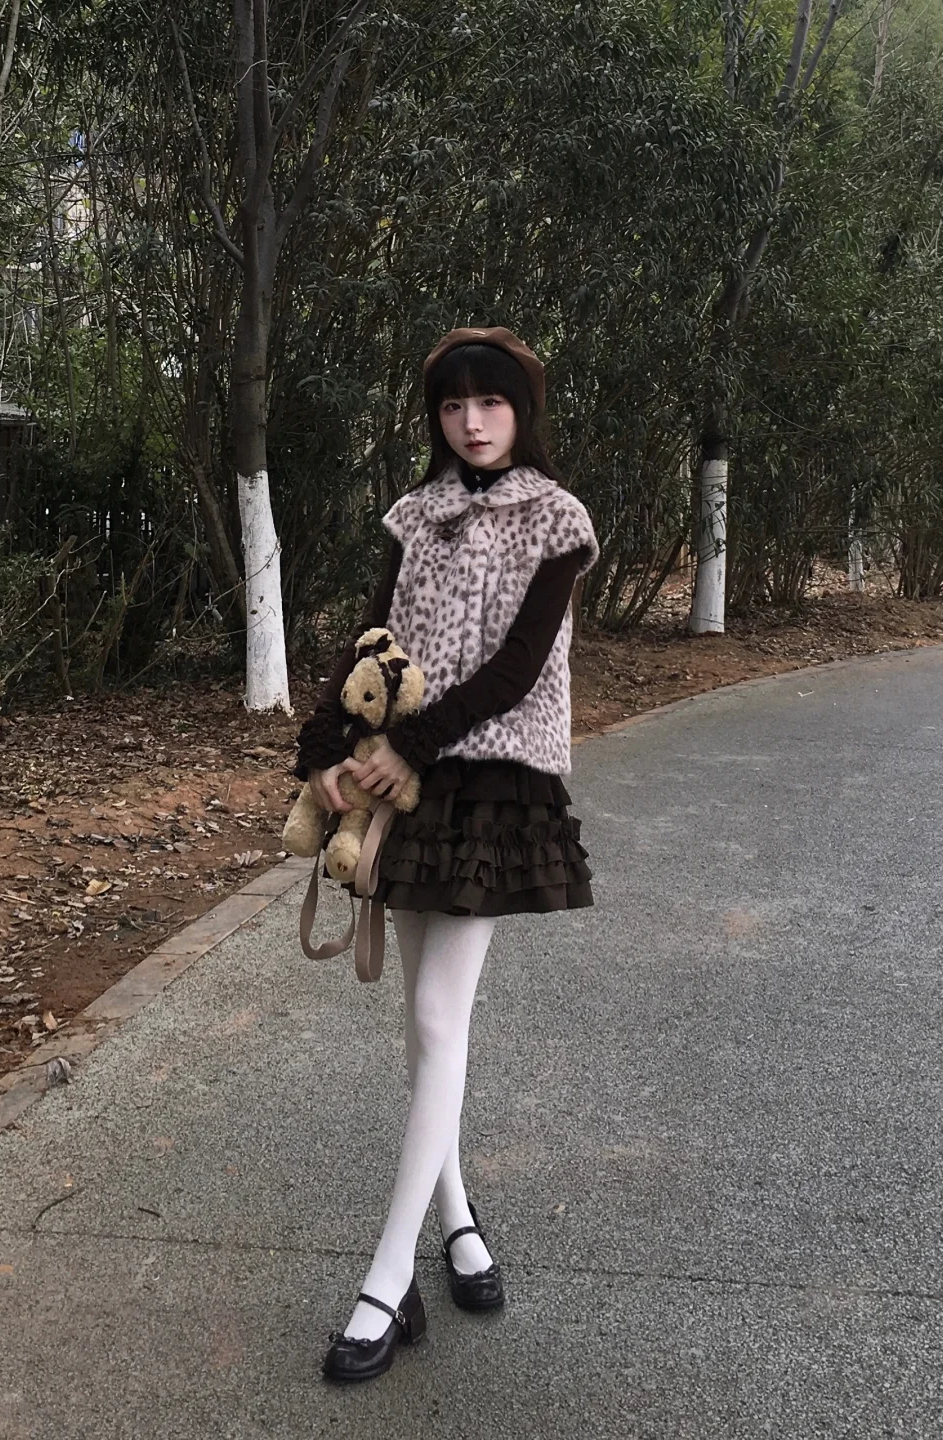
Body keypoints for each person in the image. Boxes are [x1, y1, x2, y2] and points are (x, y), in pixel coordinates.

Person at [294, 326, 599, 1384]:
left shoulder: (558, 519)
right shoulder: (413, 515)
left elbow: (520, 667)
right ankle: (459, 1219)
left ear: (523, 410)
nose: (471, 422)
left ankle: (389, 1281)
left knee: (435, 1016)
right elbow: (372, 641)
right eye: (453, 405)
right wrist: (325, 746)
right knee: (426, 1024)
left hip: (491, 780)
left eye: (491, 403)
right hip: (405, 775)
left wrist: (409, 746)